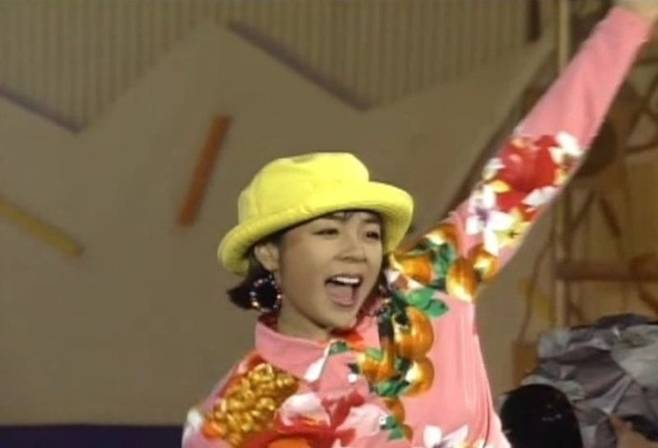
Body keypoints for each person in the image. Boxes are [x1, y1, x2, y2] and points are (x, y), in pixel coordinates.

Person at [182, 1, 658, 446]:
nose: (356, 249)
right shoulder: (237, 416)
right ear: (270, 253)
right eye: (328, 231)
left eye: (370, 232)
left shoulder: (424, 284)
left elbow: (533, 164)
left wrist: (629, 20)